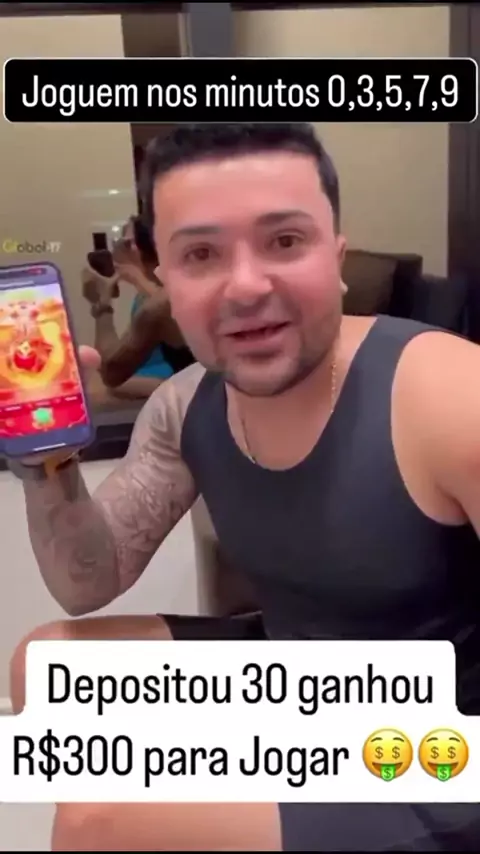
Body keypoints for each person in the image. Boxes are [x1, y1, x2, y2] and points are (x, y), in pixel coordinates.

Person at [8, 122, 480, 851]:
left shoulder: (448, 394)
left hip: (443, 741)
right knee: (47, 665)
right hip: (312, 683)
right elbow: (87, 582)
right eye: (201, 254)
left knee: (97, 821)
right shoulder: (185, 406)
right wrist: (49, 462)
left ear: (336, 256)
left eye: (284, 241)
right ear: (164, 282)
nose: (248, 286)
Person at [82, 214, 193, 399]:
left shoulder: (159, 304)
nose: (117, 250)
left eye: (126, 243)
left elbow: (111, 370)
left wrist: (102, 305)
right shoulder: (146, 298)